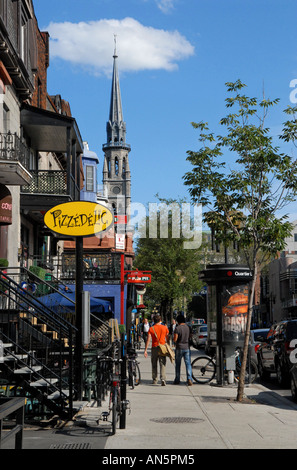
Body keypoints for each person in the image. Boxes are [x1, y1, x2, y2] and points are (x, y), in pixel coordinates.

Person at [144, 314, 169, 386]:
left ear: (153, 321)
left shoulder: (151, 329)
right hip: (162, 347)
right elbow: (167, 338)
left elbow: (148, 339)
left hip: (154, 347)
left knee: (154, 364)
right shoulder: (164, 328)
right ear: (160, 320)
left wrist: (145, 350)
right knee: (162, 363)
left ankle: (155, 379)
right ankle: (163, 378)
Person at [173, 314, 193, 386]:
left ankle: (177, 379)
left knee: (178, 364)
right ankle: (189, 378)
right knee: (188, 364)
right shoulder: (188, 327)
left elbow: (175, 339)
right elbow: (191, 336)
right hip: (187, 347)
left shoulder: (177, 328)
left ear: (178, 321)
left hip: (179, 347)